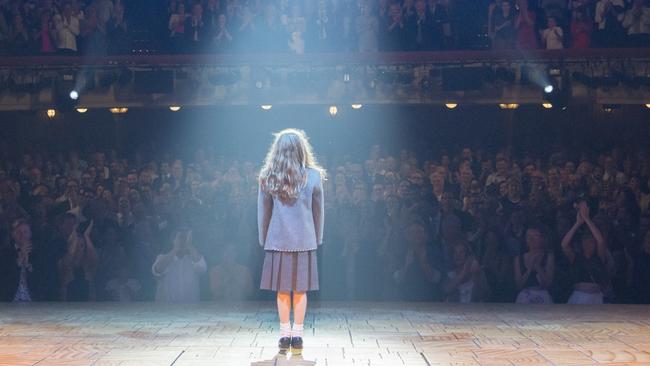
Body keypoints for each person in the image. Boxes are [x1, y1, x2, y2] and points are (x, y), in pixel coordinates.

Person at [258, 128, 325, 355]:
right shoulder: (313, 176)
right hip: (305, 239)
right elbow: (319, 212)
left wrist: (263, 237)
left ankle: (284, 334)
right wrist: (318, 237)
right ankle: (298, 334)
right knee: (301, 290)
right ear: (301, 150)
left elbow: (263, 213)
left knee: (282, 289)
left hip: (277, 240)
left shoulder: (267, 175)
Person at [561, 202, 615, 304]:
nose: (587, 244)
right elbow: (564, 245)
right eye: (585, 241)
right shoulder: (575, 257)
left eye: (590, 241)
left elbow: (601, 241)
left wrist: (587, 219)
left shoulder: (599, 257)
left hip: (596, 298)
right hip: (578, 297)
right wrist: (577, 223)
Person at [151, 227, 207, 302]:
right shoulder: (162, 257)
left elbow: (202, 269)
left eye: (186, 238)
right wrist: (175, 249)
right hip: (166, 310)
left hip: (191, 309)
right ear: (172, 240)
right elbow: (158, 270)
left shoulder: (195, 258)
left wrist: (190, 246)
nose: (183, 240)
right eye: (180, 237)